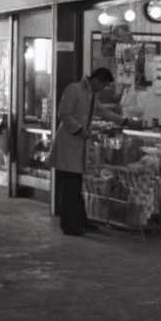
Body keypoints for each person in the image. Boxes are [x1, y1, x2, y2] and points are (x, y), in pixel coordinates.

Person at [47, 67, 113, 236]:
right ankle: (69, 225)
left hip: (78, 145)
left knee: (75, 186)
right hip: (69, 145)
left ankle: (81, 221)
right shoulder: (74, 89)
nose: (103, 89)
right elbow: (63, 114)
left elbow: (102, 111)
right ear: (97, 80)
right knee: (70, 187)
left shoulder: (91, 95)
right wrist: (79, 130)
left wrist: (123, 120)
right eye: (103, 85)